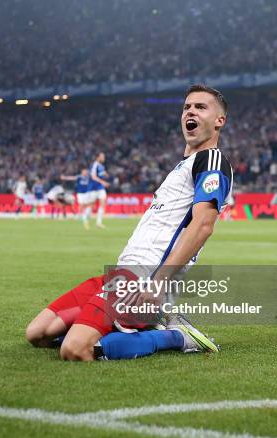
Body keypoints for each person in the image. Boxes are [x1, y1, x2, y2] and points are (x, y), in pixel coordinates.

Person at [25, 85, 233, 361]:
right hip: (121, 274)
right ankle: (143, 323)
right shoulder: (183, 166)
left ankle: (178, 336)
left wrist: (158, 284)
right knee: (38, 333)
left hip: (145, 277)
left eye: (200, 107)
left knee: (75, 350)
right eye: (186, 107)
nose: (190, 111)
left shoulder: (212, 160)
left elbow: (203, 225)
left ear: (220, 121)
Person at [88, 152, 110, 228]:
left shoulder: (101, 166)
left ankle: (98, 223)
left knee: (102, 204)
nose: (104, 158)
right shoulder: (95, 165)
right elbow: (93, 176)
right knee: (91, 206)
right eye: (102, 156)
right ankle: (85, 219)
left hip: (100, 188)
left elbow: (102, 173)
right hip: (93, 188)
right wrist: (103, 182)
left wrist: (106, 174)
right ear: (98, 157)